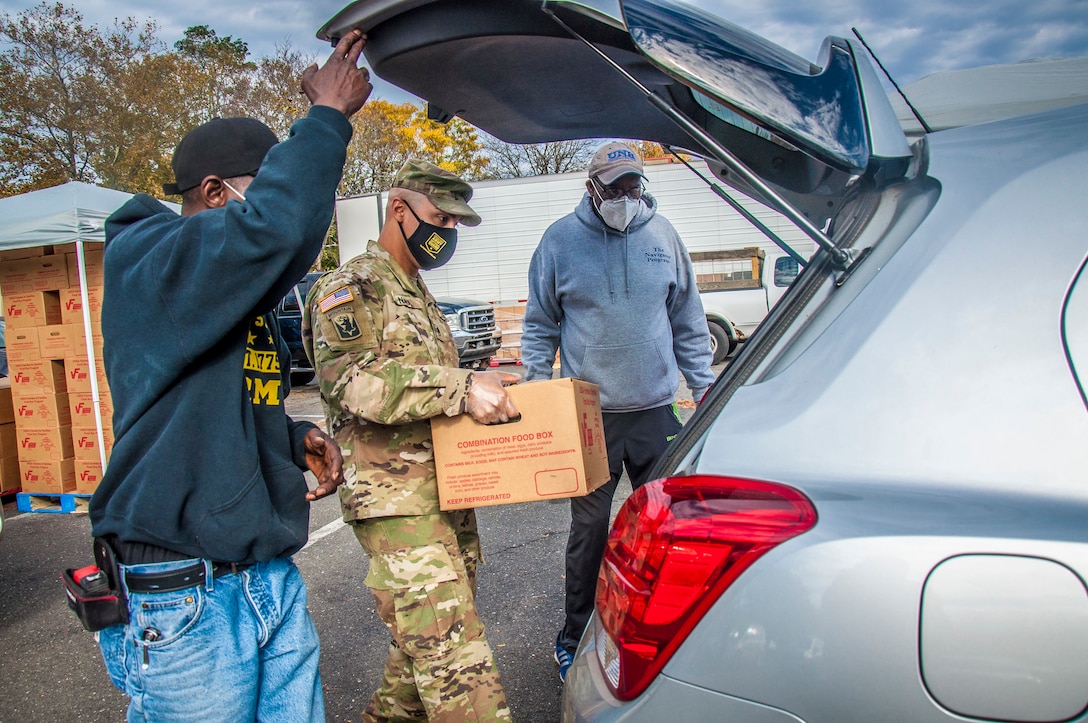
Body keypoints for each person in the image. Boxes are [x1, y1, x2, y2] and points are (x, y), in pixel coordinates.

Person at [87, 30, 373, 721]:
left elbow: (214, 403)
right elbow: (276, 229)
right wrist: (327, 118)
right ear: (215, 193)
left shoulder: (229, 293)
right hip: (180, 588)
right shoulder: (148, 261)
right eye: (260, 186)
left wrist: (288, 433)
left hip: (261, 577)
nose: (278, 206)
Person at [303, 159, 519, 722]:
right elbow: (353, 382)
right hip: (394, 503)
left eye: (454, 225)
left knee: (418, 649)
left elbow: (433, 396)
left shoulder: (419, 294)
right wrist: (462, 386)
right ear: (399, 209)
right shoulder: (351, 287)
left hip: (445, 492)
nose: (445, 234)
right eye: (439, 219)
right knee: (454, 657)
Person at [520, 141, 715, 680]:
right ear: (592, 186)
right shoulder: (559, 241)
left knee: (668, 527)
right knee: (590, 530)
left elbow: (689, 322)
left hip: (656, 412)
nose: (628, 195)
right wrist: (537, 394)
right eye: (617, 186)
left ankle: (663, 626)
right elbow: (540, 326)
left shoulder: (664, 236)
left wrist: (706, 390)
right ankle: (575, 634)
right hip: (590, 418)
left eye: (635, 184)